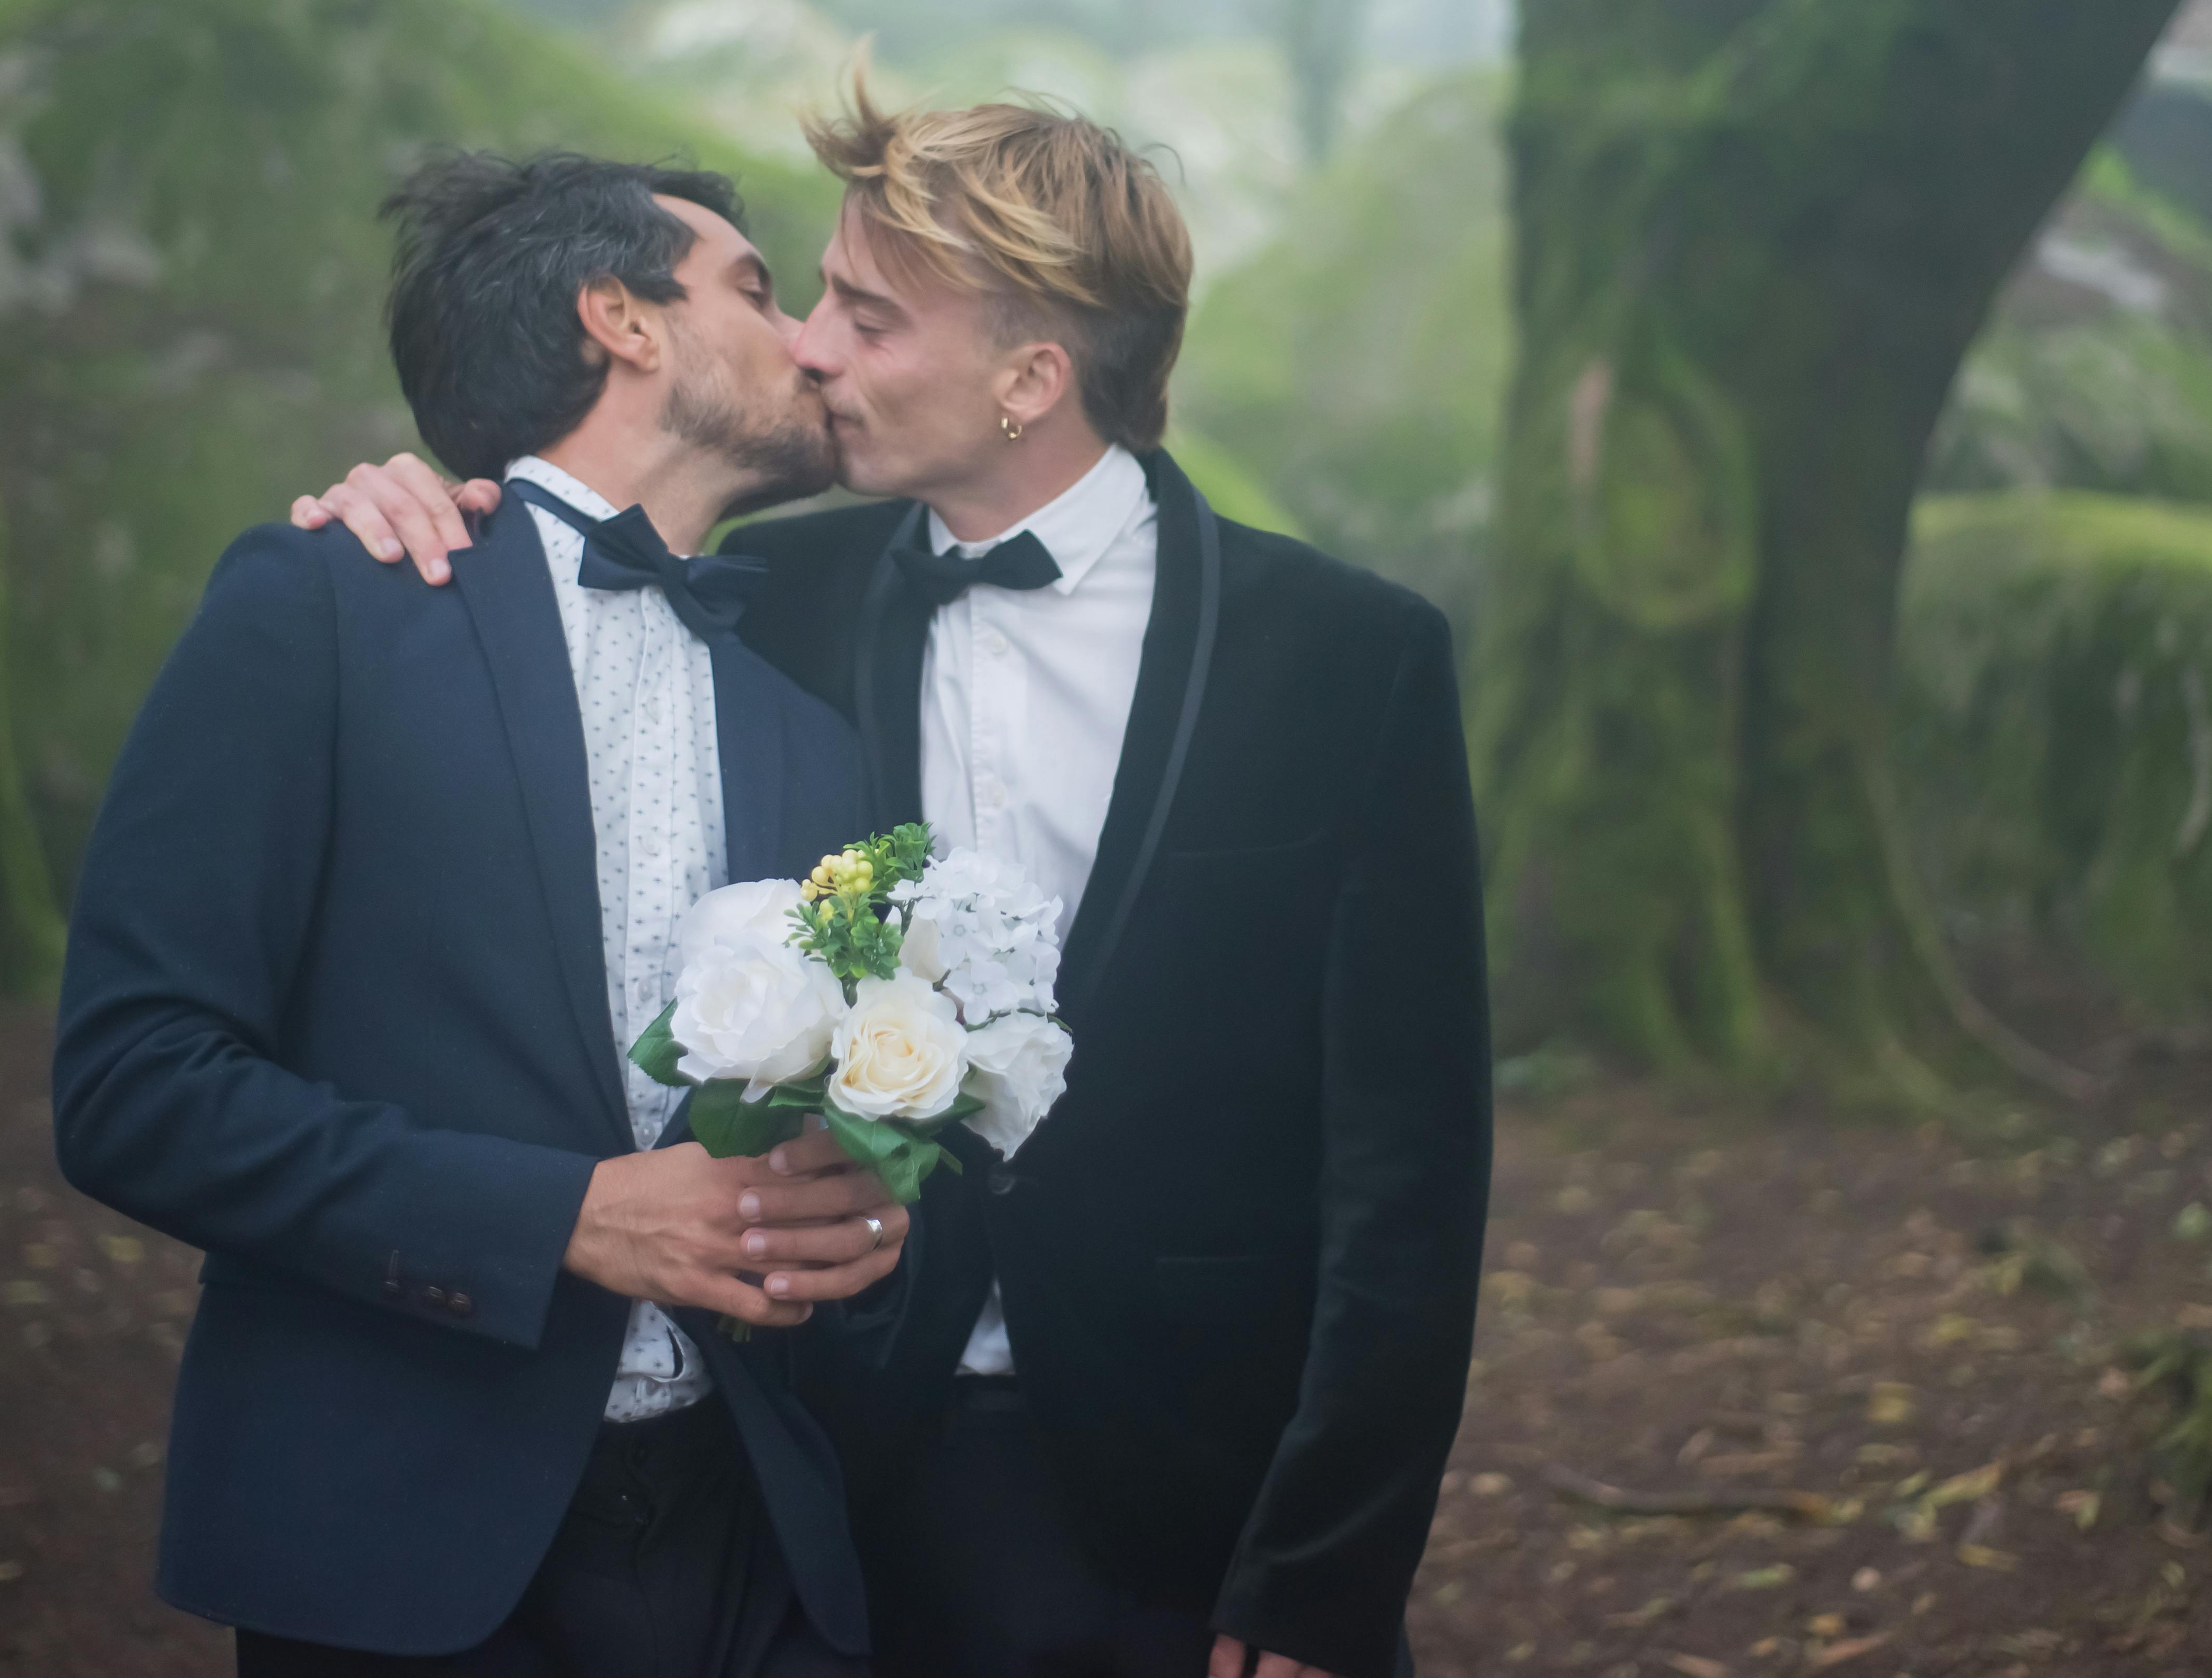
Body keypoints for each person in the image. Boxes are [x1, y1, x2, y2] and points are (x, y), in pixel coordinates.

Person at [299, 88, 1492, 1678]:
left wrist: (1328, 1572)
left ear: (1030, 380)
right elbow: (551, 571)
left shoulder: (1351, 659)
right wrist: (402, 500)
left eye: (867, 316)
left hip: (1200, 1511)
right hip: (827, 1498)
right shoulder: (751, 602)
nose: (810, 350)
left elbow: (1410, 1171)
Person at [58, 153, 918, 1678]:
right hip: (400, 1538)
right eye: (756, 289)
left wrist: (857, 1196)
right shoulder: (322, 601)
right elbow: (134, 1086)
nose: (804, 342)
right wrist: (563, 1220)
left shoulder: (812, 727)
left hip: (759, 1547)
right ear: (622, 320)